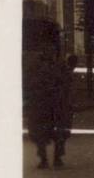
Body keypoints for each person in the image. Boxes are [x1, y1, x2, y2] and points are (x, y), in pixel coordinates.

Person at [23, 15, 73, 169]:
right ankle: (43, 157)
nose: (49, 51)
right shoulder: (36, 66)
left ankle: (57, 157)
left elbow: (66, 82)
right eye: (46, 49)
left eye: (51, 48)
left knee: (60, 131)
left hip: (56, 102)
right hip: (41, 101)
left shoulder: (59, 65)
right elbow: (29, 82)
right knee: (39, 131)